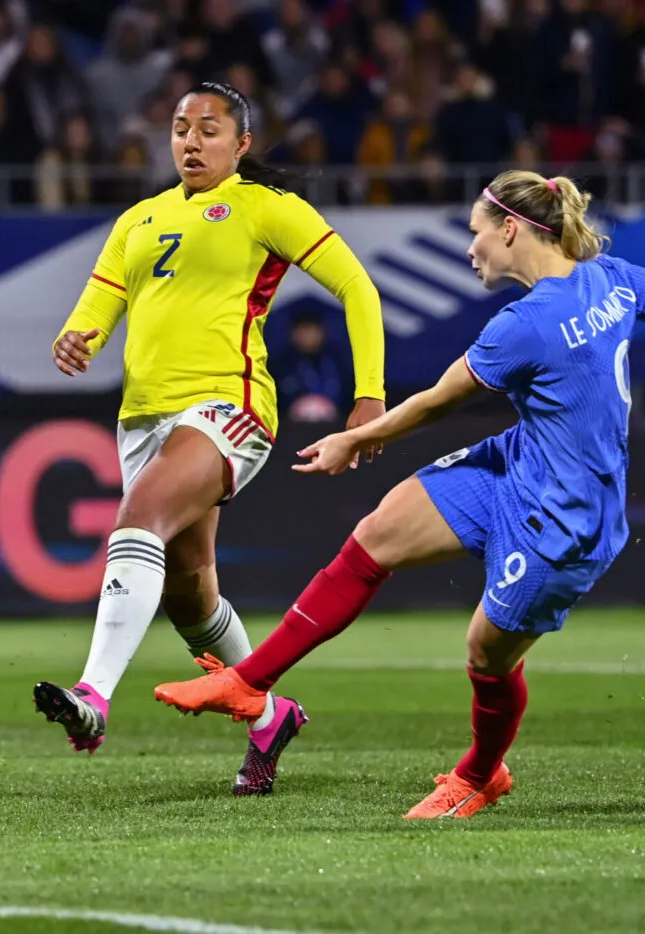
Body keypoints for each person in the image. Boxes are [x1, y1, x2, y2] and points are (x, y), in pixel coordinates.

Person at [154, 170, 645, 818]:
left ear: (511, 229)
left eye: (475, 233)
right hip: (517, 465)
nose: (470, 249)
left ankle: (481, 774)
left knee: (485, 651)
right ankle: (249, 680)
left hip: (570, 517)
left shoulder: (524, 326)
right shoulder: (611, 278)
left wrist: (353, 439)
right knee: (375, 537)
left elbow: (431, 405)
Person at [36, 82, 387, 796]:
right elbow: (99, 306)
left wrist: (369, 396)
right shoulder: (139, 218)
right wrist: (78, 339)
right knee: (191, 599)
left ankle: (94, 699)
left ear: (242, 144)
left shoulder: (268, 208)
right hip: (143, 419)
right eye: (179, 129)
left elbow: (358, 288)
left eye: (209, 129)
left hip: (229, 406)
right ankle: (267, 714)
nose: (191, 141)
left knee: (137, 520)